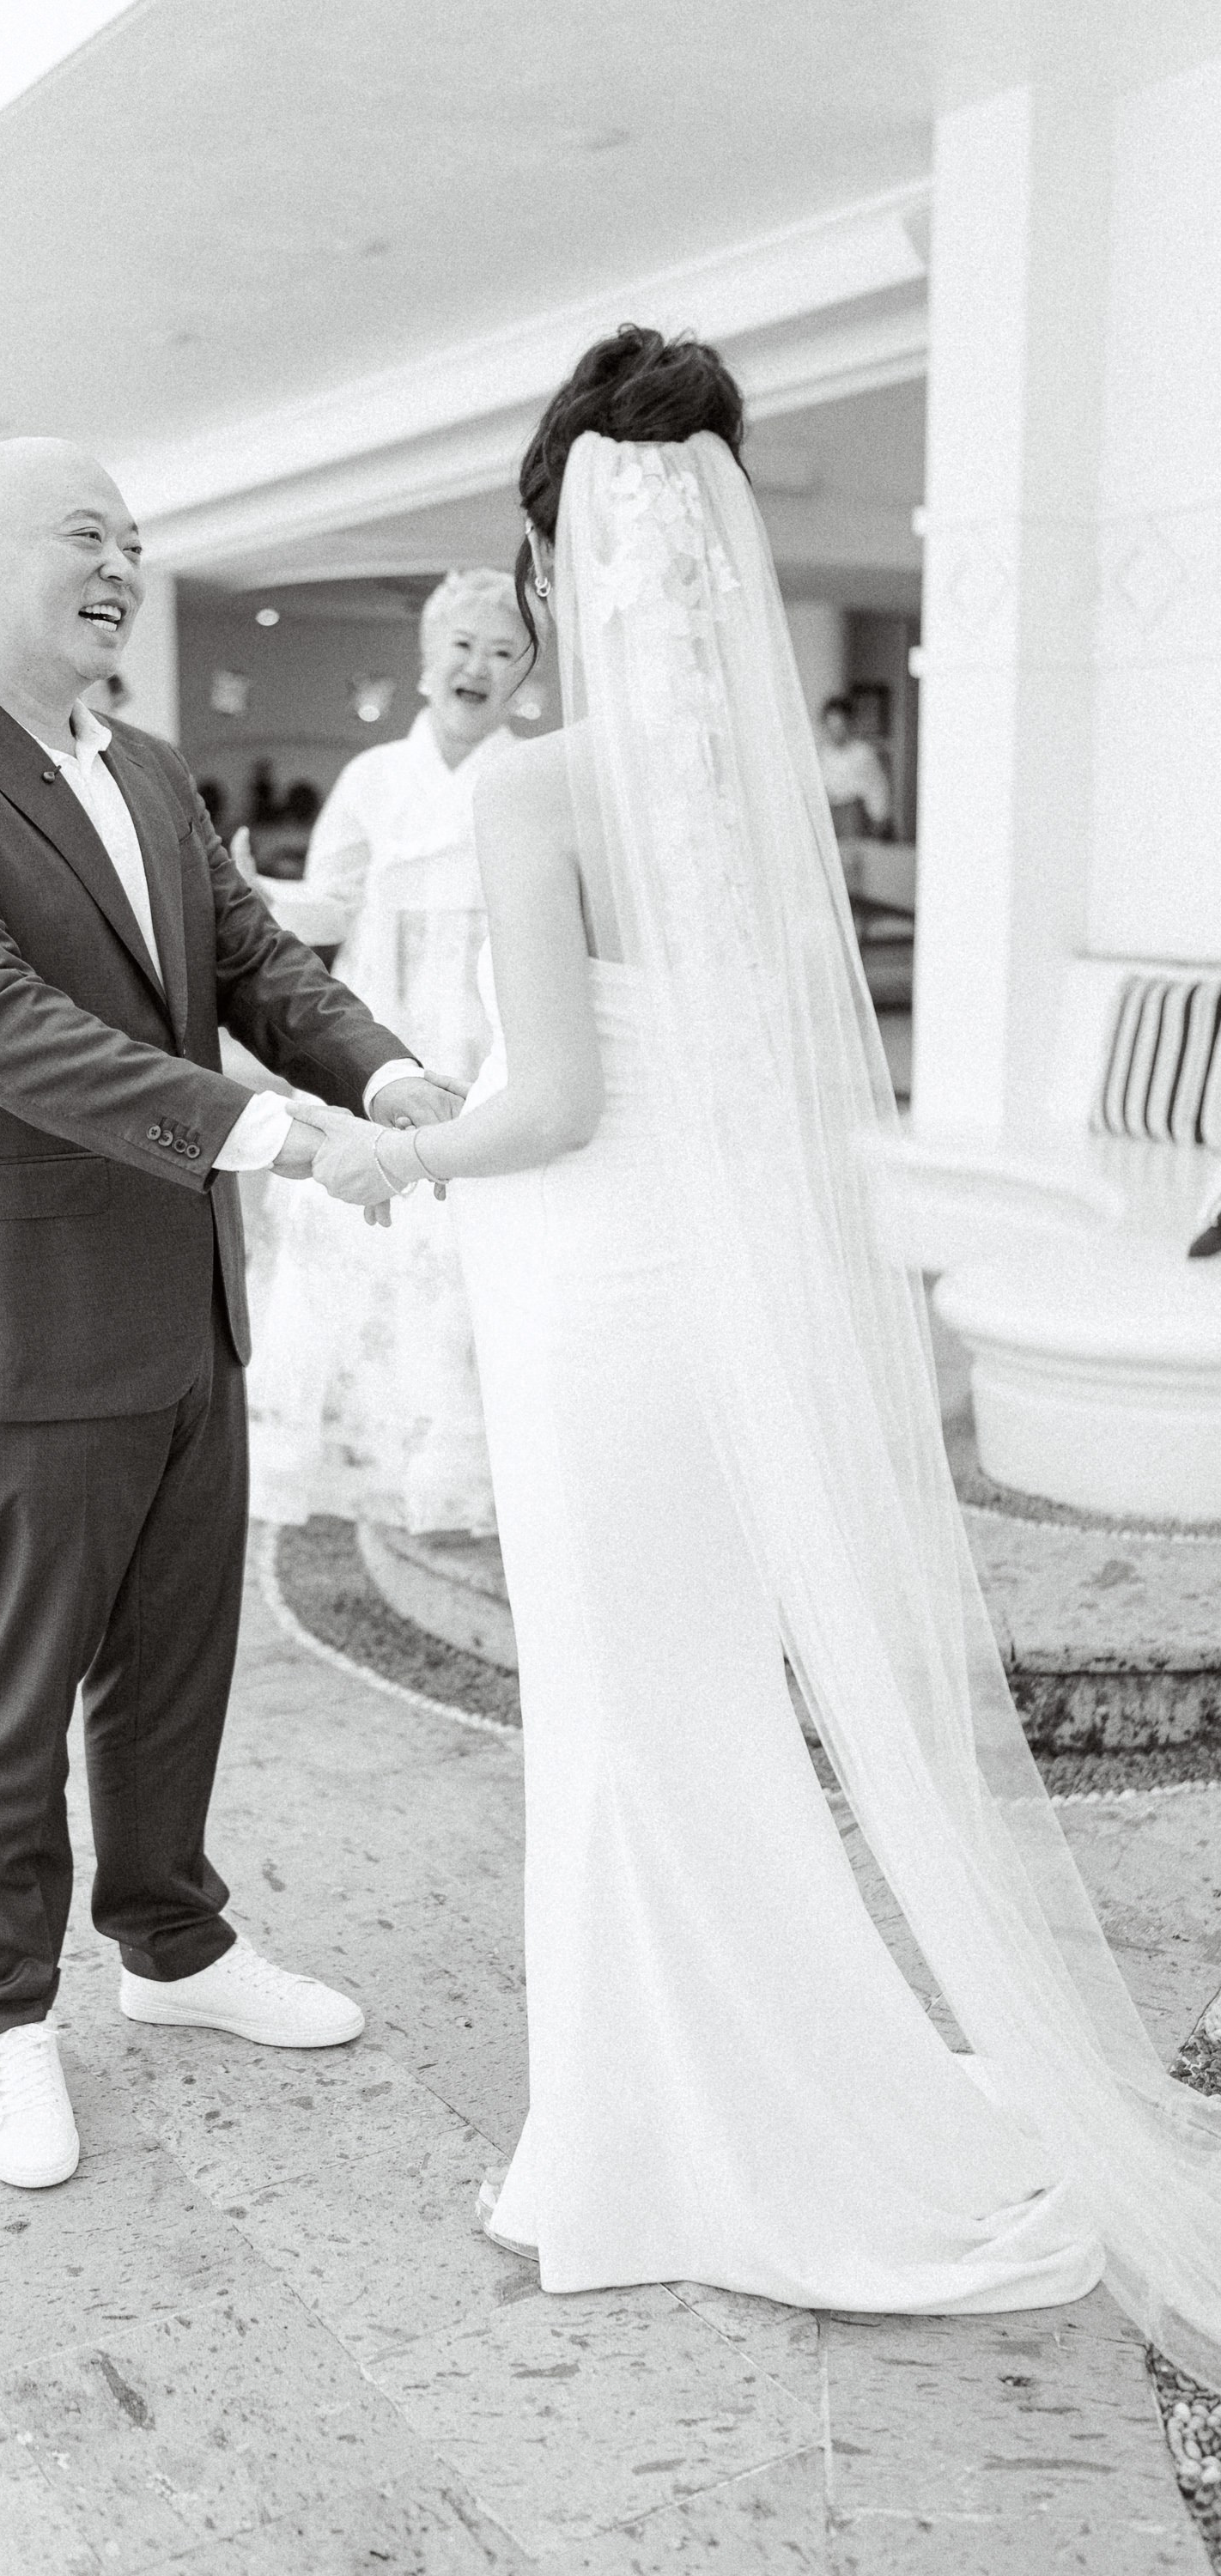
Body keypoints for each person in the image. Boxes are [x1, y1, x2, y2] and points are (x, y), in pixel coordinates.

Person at [308, 327, 1221, 2379]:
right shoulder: (742, 781)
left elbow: (542, 1106)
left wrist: (392, 1156)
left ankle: (673, 2149)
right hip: (699, 1313)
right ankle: (679, 2115)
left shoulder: (537, 785)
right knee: (693, 1714)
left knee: (632, 1729)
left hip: (577, 1295)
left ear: (552, 562)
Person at [0, 439, 460, 2196]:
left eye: (136, 542)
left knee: (176, 1663)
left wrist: (385, 1076)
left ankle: (172, 1945)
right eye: (86, 536)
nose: (123, 566)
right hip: (16, 1317)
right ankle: (3, 2019)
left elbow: (253, 965)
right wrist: (272, 1136)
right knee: (15, 1694)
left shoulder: (152, 768)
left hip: (185, 1309)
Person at [249, 568, 530, 1534]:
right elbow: (328, 906)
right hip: (378, 1038)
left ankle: (465, 1463)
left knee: (468, 1248)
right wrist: (257, 893)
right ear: (424, 661)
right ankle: (368, 1447)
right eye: (461, 646)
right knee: (356, 1238)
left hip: (483, 1038)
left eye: (502, 651)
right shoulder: (373, 778)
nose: (477, 667)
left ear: (525, 672)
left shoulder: (525, 779)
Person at [818, 692, 891, 840]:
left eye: (839, 725)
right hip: (827, 812)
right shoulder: (821, 754)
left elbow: (877, 787)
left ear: (848, 723)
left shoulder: (863, 753)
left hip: (853, 813)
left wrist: (879, 819)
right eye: (831, 726)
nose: (835, 731)